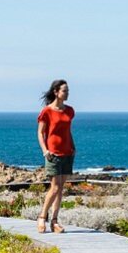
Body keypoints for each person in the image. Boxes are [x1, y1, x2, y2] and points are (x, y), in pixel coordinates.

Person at [37, 79, 75, 233]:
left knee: (60, 189)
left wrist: (73, 146)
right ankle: (41, 217)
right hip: (53, 153)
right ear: (56, 92)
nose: (67, 93)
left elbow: (67, 131)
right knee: (55, 187)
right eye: (64, 90)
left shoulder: (70, 111)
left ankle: (54, 221)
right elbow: (40, 133)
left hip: (67, 152)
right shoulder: (47, 111)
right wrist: (45, 150)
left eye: (68, 90)